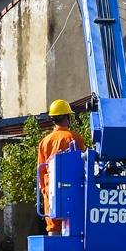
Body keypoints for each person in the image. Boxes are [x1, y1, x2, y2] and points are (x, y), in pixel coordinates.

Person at [38, 99, 82, 232]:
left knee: (53, 227)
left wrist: (44, 190)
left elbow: (41, 169)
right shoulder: (74, 138)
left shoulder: (45, 142)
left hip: (50, 190)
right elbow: (83, 165)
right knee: (74, 224)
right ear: (67, 118)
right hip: (73, 190)